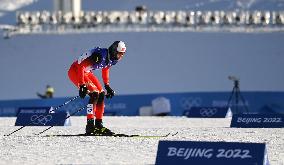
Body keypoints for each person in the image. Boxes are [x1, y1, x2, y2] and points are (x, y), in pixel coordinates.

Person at [68, 41, 126, 135]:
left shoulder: (112, 59)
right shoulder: (99, 56)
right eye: (119, 54)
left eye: (122, 54)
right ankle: (90, 126)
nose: (120, 57)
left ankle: (99, 125)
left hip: (87, 72)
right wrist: (82, 85)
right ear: (114, 51)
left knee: (101, 94)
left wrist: (107, 86)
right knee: (94, 94)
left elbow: (105, 69)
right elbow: (81, 66)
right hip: (76, 71)